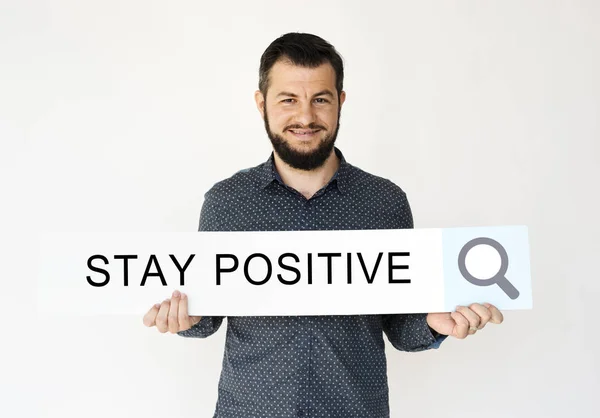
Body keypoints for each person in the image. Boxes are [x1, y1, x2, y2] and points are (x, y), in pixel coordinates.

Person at [143, 32, 503, 418]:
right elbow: (205, 319)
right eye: (288, 100)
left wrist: (435, 324)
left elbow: (401, 325)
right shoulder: (227, 202)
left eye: (320, 99)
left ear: (340, 102)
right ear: (261, 104)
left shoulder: (384, 202)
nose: (305, 117)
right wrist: (183, 317)